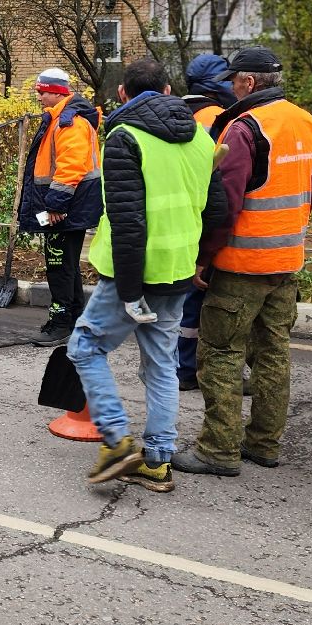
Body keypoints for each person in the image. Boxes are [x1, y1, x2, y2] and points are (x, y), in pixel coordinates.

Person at [74, 57, 228, 494]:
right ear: (167, 91)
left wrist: (127, 289)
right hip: (178, 271)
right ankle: (157, 462)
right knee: (161, 364)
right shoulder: (201, 136)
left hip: (134, 274)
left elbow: (127, 222)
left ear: (123, 94)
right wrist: (200, 260)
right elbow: (216, 209)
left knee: (85, 347)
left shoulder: (124, 137)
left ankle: (118, 441)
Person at [176, 45, 312, 477]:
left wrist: (204, 257)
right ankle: (264, 443)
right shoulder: (307, 123)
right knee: (273, 353)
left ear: (249, 82)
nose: (229, 86)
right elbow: (308, 193)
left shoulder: (244, 128)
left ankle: (217, 450)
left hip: (242, 264)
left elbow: (224, 203)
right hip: (287, 260)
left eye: (233, 79)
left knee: (220, 352)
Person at [17, 67, 101, 346]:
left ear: (57, 92)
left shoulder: (69, 122)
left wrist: (54, 206)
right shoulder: (59, 119)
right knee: (65, 264)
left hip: (63, 209)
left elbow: (70, 167)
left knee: (59, 264)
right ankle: (74, 319)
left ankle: (62, 322)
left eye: (42, 91)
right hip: (65, 207)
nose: (38, 95)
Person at [175, 53, 239, 389]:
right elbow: (220, 177)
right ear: (213, 85)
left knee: (185, 297)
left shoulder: (178, 111)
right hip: (204, 217)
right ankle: (189, 368)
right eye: (227, 79)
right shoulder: (219, 117)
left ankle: (181, 367)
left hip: (179, 216)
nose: (233, 84)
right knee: (197, 297)